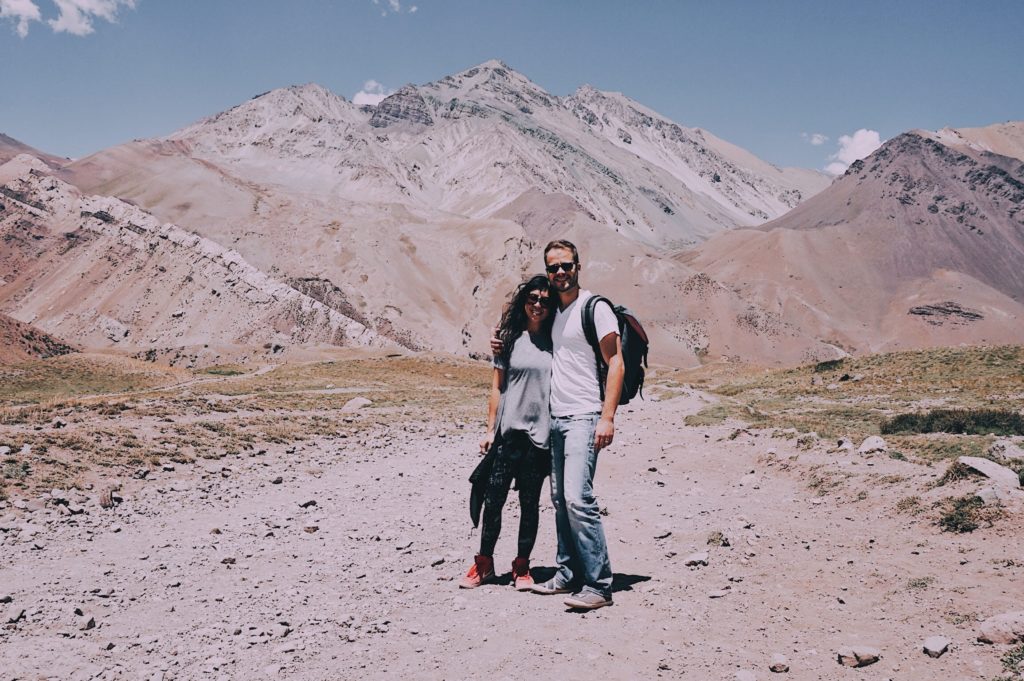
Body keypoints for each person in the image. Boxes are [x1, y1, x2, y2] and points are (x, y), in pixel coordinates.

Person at [529, 239, 624, 610]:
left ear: (578, 266)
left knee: (577, 498)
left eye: (565, 265)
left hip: (584, 415)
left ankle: (599, 585)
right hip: (556, 418)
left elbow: (615, 362)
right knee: (559, 500)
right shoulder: (556, 311)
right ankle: (567, 574)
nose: (559, 273)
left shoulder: (594, 307)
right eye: (553, 268)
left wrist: (607, 416)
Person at [461, 274, 555, 591]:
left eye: (544, 299)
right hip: (508, 435)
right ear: (524, 300)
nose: (538, 304)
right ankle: (484, 565)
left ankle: (521, 568)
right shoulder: (509, 338)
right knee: (494, 500)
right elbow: (497, 387)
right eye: (533, 298)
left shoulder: (558, 341)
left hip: (540, 438)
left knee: (530, 505)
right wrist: (489, 430)